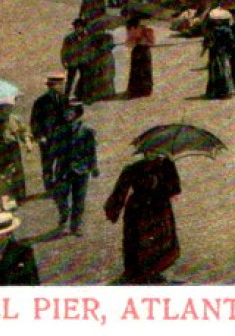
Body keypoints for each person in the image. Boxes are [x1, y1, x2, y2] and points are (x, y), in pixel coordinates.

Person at [104, 152, 182, 284]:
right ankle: (137, 273)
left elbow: (175, 189)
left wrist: (162, 182)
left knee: (159, 241)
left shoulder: (166, 166)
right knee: (137, 241)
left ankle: (152, 272)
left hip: (157, 210)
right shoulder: (134, 168)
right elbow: (120, 191)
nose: (152, 154)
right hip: (140, 210)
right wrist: (113, 210)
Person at [48, 101, 100, 236]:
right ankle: (64, 214)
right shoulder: (59, 130)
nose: (67, 114)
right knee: (60, 196)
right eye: (65, 112)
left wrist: (94, 167)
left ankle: (76, 225)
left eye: (70, 112)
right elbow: (53, 152)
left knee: (79, 199)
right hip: (63, 169)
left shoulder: (87, 130)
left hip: (81, 169)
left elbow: (92, 150)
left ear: (77, 113)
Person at [30, 73, 70, 195]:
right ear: (53, 86)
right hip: (47, 139)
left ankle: (61, 185)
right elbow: (34, 121)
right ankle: (49, 188)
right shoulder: (40, 102)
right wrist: (39, 136)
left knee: (63, 162)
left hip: (62, 137)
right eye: (60, 85)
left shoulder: (65, 99)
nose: (63, 87)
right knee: (47, 164)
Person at [76, 18, 117, 103]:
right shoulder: (95, 38)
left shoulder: (107, 37)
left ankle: (103, 93)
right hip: (99, 58)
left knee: (104, 75)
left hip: (104, 59)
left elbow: (108, 46)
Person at [203, 9, 235, 100]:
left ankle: (214, 91)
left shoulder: (211, 30)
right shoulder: (227, 30)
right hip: (223, 52)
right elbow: (231, 42)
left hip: (214, 52)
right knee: (225, 70)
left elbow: (206, 42)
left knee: (214, 71)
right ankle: (225, 91)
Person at [124, 14, 156, 99]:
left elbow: (151, 42)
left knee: (144, 70)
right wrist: (136, 40)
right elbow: (128, 43)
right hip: (139, 50)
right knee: (138, 70)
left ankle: (143, 89)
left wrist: (142, 40)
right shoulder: (133, 29)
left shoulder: (147, 30)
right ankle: (139, 89)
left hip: (143, 50)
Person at [61, 18, 90, 98]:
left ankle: (80, 94)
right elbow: (64, 50)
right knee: (70, 80)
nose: (78, 28)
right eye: (76, 27)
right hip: (73, 61)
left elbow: (89, 49)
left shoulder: (87, 37)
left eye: (80, 27)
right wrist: (64, 61)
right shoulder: (69, 38)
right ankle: (66, 96)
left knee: (84, 78)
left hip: (83, 61)